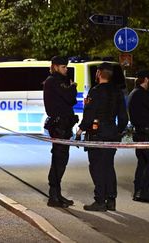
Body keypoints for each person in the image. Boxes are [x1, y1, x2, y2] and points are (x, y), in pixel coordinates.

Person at [76, 62, 128, 212]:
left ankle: (100, 201)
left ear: (98, 73)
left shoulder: (95, 91)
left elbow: (89, 115)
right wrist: (118, 131)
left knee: (97, 167)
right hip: (111, 132)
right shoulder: (117, 92)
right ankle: (111, 200)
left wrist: (80, 131)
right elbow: (124, 117)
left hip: (97, 133)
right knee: (109, 166)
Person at [43, 56, 78, 208]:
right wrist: (73, 87)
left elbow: (71, 100)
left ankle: (57, 194)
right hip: (59, 126)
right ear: (55, 67)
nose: (66, 69)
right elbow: (70, 98)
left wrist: (70, 88)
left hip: (64, 126)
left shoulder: (60, 81)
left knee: (62, 160)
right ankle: (53, 196)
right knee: (58, 160)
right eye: (64, 67)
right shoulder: (53, 81)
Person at [128, 70, 149, 203]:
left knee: (142, 163)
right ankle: (143, 191)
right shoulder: (143, 94)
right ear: (146, 79)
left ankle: (138, 191)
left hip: (139, 134)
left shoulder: (133, 93)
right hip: (147, 135)